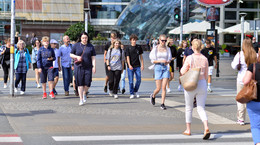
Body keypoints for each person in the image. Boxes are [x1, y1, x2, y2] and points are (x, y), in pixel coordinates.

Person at [181, 39, 210, 140]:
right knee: (201, 108)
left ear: (193, 47)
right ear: (201, 47)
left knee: (189, 107)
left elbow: (182, 70)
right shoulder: (205, 59)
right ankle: (206, 127)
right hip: (202, 83)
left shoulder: (190, 58)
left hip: (191, 83)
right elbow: (206, 75)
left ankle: (188, 130)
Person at [231, 38, 257, 125]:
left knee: (241, 98)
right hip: (252, 80)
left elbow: (233, 66)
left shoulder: (239, 54)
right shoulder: (255, 55)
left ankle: (241, 119)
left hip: (241, 79)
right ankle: (253, 117)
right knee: (252, 98)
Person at [70, 32, 96, 106]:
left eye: (86, 38)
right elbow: (70, 54)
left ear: (88, 38)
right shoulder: (76, 45)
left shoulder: (90, 46)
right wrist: (77, 57)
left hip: (88, 67)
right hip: (78, 66)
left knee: (87, 83)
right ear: (81, 38)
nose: (84, 39)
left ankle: (85, 93)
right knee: (80, 83)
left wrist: (94, 66)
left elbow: (93, 57)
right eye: (83, 38)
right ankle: (81, 99)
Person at [149, 34, 172, 110]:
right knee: (158, 88)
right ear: (159, 40)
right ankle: (153, 95)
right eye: (162, 40)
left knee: (164, 87)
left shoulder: (168, 49)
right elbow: (152, 60)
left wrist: (167, 61)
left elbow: (169, 58)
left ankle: (162, 103)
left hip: (165, 68)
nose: (164, 42)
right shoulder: (155, 48)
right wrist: (160, 60)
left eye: (165, 41)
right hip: (158, 67)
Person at [243, 62, 260, 145]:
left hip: (254, 100)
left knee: (255, 126)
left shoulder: (253, 66)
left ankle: (258, 143)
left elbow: (245, 81)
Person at [126, 34, 144, 99]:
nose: (134, 41)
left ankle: (135, 90)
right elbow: (127, 57)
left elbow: (141, 57)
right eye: (133, 40)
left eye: (135, 40)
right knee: (130, 81)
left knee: (139, 79)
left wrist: (142, 65)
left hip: (137, 66)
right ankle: (131, 93)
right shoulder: (128, 48)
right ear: (130, 40)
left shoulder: (139, 47)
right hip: (130, 66)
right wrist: (129, 65)